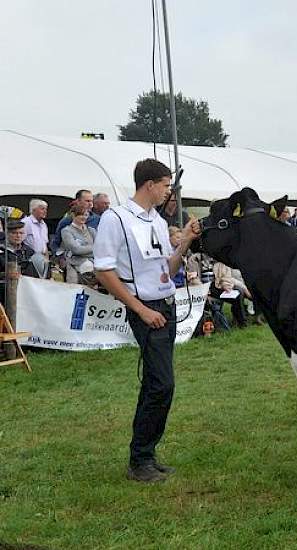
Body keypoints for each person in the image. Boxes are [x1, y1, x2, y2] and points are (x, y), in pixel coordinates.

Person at [93, 158, 200, 483]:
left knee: (158, 384)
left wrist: (184, 242)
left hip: (164, 305)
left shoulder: (154, 220)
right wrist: (140, 309)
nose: (169, 191)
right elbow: (104, 270)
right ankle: (140, 460)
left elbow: (166, 270)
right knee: (161, 385)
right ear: (150, 185)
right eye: (166, 185)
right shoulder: (116, 219)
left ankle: (146, 455)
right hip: (147, 310)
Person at [1, 220, 44, 306]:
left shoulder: (29, 251)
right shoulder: (1, 251)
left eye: (21, 233)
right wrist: (5, 274)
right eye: (14, 233)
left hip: (26, 293)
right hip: (4, 293)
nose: (18, 236)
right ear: (7, 234)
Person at [59, 203, 98, 285]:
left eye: (86, 215)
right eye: (80, 215)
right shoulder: (66, 231)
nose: (84, 217)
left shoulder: (91, 230)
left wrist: (85, 250)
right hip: (75, 264)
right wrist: (93, 248)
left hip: (94, 263)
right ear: (73, 215)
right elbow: (76, 250)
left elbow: (100, 248)